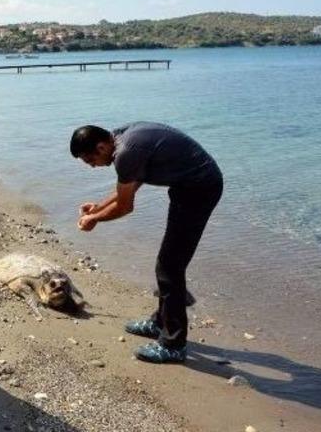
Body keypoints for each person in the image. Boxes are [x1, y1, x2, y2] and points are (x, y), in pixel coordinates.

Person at [70, 122, 223, 364]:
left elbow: (125, 206)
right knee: (168, 263)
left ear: (101, 147)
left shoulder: (125, 153)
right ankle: (160, 321)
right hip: (188, 187)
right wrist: (98, 207)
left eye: (90, 161)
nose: (92, 167)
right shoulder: (120, 138)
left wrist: (94, 219)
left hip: (200, 189)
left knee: (170, 267)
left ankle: (174, 345)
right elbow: (131, 182)